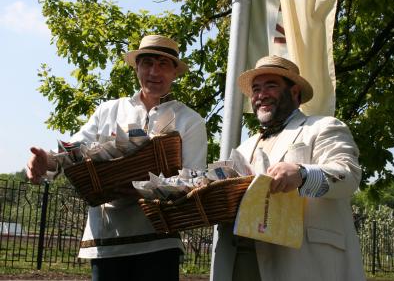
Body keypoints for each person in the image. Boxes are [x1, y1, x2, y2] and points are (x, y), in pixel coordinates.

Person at [27, 35, 208, 281]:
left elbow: (195, 178)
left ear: (175, 72)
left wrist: (146, 190)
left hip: (159, 240)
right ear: (137, 68)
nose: (154, 71)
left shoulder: (190, 120)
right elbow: (73, 152)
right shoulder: (108, 110)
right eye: (147, 63)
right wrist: (45, 161)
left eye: (163, 64)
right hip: (106, 240)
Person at [211, 55, 365, 281]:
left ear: (294, 93)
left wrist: (302, 174)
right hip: (240, 259)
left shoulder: (324, 127)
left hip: (301, 263)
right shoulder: (244, 147)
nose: (261, 95)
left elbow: (348, 175)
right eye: (256, 89)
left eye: (271, 86)